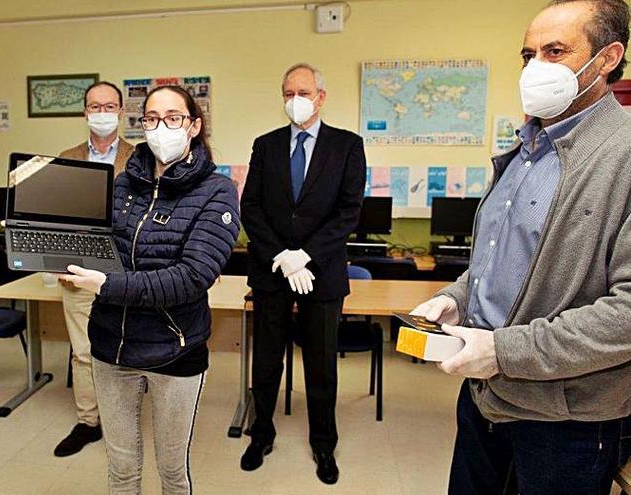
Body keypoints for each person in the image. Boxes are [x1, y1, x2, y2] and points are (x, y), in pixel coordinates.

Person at [411, 1, 631, 493]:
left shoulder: (623, 155)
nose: (535, 68)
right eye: (528, 54)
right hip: (486, 396)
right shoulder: (525, 150)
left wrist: (503, 351)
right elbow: (501, 261)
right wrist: (457, 297)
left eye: (555, 52)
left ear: (608, 57)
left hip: (568, 419)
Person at [61, 85, 240, 495]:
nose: (162, 127)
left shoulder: (218, 191)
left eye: (174, 117)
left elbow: (191, 276)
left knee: (172, 473)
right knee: (121, 470)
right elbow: (103, 248)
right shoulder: (124, 184)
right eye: (152, 118)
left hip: (174, 349)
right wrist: (55, 249)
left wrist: (107, 284)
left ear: (194, 125)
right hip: (111, 346)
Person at [239, 63, 366, 485]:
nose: (296, 99)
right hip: (272, 270)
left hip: (322, 272)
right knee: (267, 360)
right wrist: (281, 255)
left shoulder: (347, 146)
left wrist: (305, 255)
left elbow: (349, 212)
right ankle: (261, 435)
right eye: (288, 92)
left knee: (321, 362)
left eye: (304, 91)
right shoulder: (266, 145)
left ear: (321, 97)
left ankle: (324, 444)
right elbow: (250, 208)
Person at [53, 81, 135, 458]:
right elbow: (56, 216)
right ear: (85, 112)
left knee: (127, 346)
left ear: (120, 111)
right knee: (83, 351)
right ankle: (89, 422)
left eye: (109, 106)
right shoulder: (65, 157)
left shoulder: (141, 158)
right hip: (78, 267)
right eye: (94, 106)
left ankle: (124, 417)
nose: (101, 112)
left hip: (125, 271)